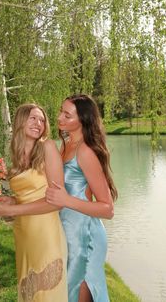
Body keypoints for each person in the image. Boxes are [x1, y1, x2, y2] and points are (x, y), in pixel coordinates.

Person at [0, 103, 68, 302]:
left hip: (46, 232)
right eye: (33, 118)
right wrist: (10, 201)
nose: (38, 123)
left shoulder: (47, 147)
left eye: (41, 120)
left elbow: (57, 202)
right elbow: (28, 195)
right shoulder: (15, 153)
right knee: (28, 292)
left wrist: (12, 208)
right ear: (20, 121)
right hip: (23, 232)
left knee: (47, 294)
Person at [46, 94, 118, 302]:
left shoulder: (85, 152)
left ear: (82, 121)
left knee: (75, 294)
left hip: (85, 237)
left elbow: (108, 209)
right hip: (66, 232)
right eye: (61, 111)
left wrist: (65, 200)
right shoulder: (65, 144)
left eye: (67, 115)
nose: (59, 117)